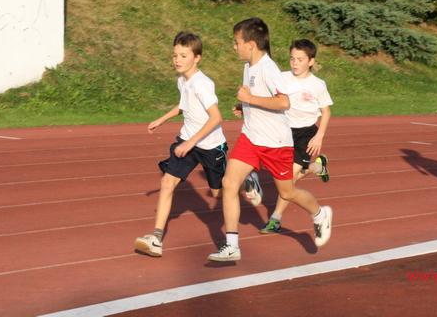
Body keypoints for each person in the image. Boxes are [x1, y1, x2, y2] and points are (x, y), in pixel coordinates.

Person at [207, 18, 333, 262]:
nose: (234, 47)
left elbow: (284, 102)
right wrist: (244, 106)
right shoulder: (249, 66)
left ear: (251, 44)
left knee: (287, 192)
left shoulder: (269, 69)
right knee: (229, 183)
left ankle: (320, 214)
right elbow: (257, 97)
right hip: (251, 137)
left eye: (237, 42)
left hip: (276, 143)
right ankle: (231, 245)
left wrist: (250, 100)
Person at [134, 31, 228, 257]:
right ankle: (156, 239)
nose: (177, 60)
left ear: (197, 58)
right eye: (175, 55)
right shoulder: (182, 81)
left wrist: (191, 143)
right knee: (167, 182)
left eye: (183, 56)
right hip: (188, 140)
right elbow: (183, 105)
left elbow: (216, 117)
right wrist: (162, 119)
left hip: (211, 146)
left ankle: (246, 182)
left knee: (219, 193)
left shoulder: (202, 84)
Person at [257, 39, 332, 234]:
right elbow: (270, 98)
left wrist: (319, 136)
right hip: (283, 131)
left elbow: (326, 112)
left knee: (289, 179)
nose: (295, 63)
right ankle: (317, 167)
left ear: (311, 61)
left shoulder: (318, 84)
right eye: (292, 59)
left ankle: (275, 219)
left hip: (306, 135)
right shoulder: (282, 78)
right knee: (287, 175)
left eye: (300, 59)